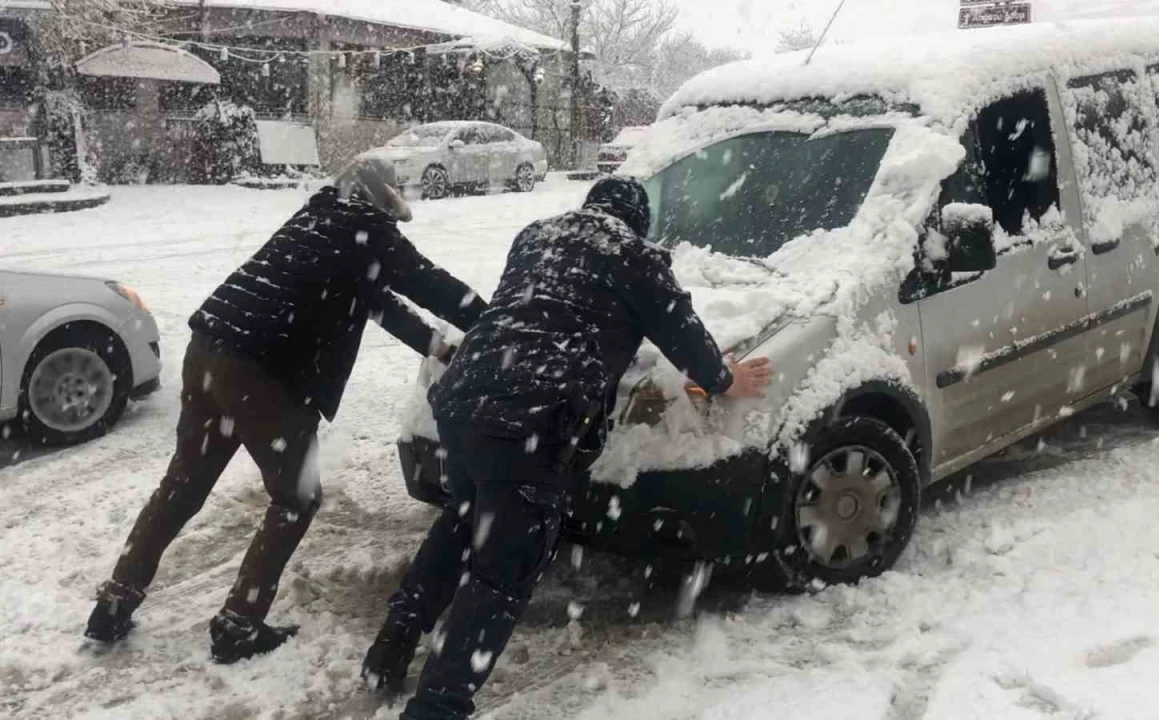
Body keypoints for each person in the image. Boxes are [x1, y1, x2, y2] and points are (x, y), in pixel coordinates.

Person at [362, 176, 773, 719]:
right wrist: (725, 380)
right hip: (530, 419)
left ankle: (389, 651)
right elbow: (682, 333)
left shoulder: (537, 237)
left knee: (461, 524)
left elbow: (539, 312)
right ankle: (437, 708)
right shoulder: (633, 253)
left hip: (464, 401)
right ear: (638, 221)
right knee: (500, 574)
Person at [84, 158, 488, 664]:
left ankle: (115, 601)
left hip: (208, 351)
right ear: (380, 203)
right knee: (297, 498)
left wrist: (442, 348)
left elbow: (379, 303)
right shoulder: (368, 233)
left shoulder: (315, 221)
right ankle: (238, 625)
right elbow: (433, 286)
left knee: (183, 485)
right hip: (264, 373)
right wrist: (497, 320)